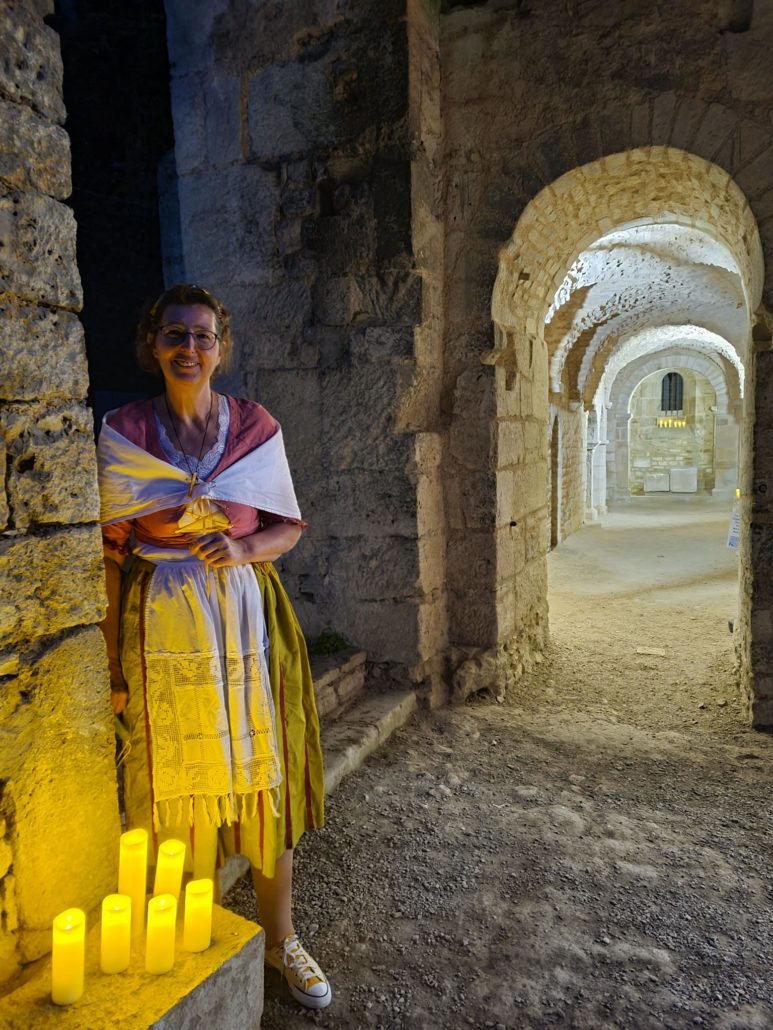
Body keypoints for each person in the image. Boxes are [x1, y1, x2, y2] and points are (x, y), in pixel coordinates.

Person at [96, 283, 331, 1010]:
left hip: (244, 621)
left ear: (220, 350)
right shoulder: (124, 434)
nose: (187, 347)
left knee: (261, 779)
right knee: (175, 784)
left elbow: (287, 526)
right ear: (152, 345)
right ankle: (188, 939)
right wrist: (110, 663)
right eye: (174, 335)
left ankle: (279, 939)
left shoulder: (254, 427)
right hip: (161, 624)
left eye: (201, 336)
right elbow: (108, 553)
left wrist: (241, 544)